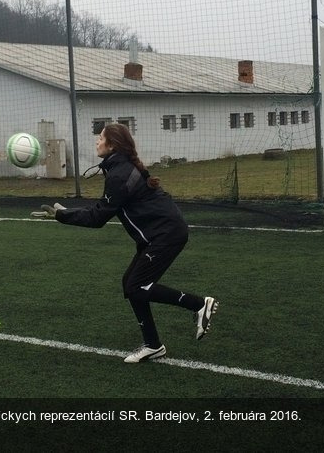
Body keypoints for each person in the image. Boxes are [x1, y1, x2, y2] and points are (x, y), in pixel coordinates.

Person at [33, 123, 218, 363]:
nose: (97, 141)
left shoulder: (120, 174)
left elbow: (98, 218)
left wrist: (62, 216)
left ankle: (199, 305)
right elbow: (102, 208)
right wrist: (66, 212)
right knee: (131, 284)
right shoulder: (119, 168)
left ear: (112, 145)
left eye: (101, 138)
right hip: (158, 234)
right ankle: (153, 345)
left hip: (165, 235)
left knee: (136, 286)